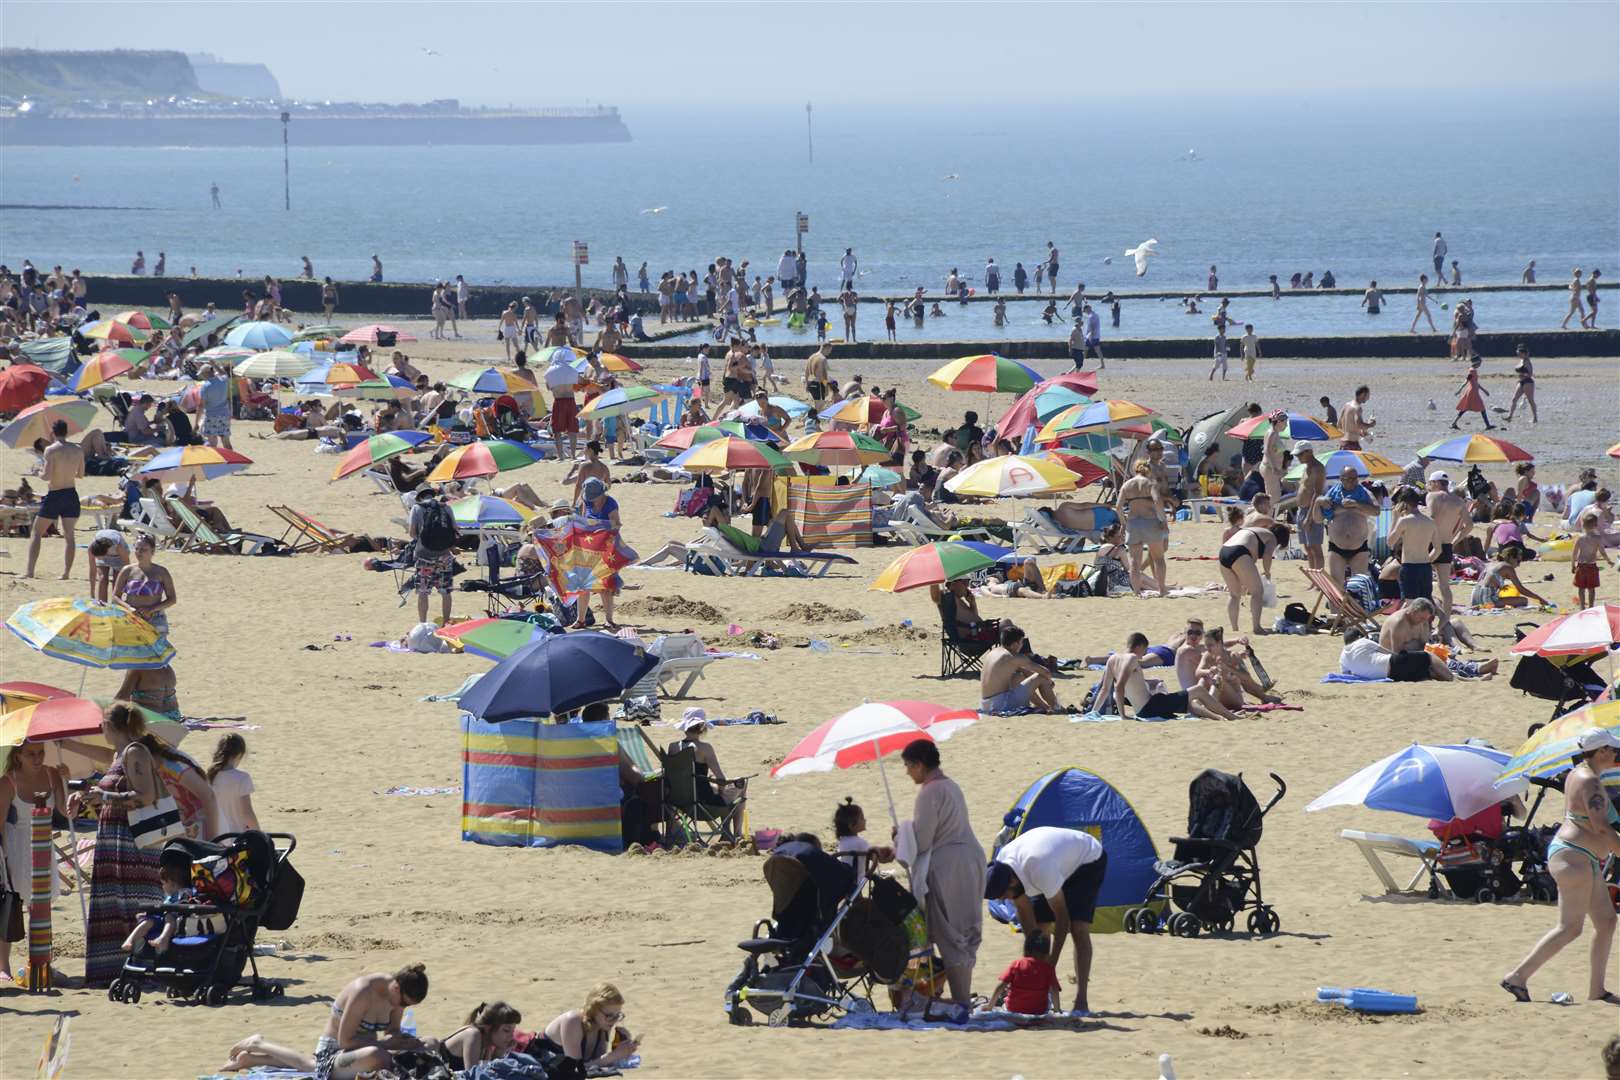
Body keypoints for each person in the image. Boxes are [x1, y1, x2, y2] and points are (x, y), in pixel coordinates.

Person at [1502, 728, 1620, 1005]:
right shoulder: (1590, 781)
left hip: (1581, 857)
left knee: (1606, 921)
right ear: (1601, 751)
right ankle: (1517, 977)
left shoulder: (1582, 773)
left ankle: (1597, 991)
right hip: (1573, 858)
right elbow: (1602, 828)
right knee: (1570, 927)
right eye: (1612, 749)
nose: (1616, 753)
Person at [74, 703, 164, 985]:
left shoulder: (135, 752)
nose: (100, 729)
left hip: (133, 842)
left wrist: (107, 799)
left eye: (103, 724)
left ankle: (143, 968)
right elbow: (117, 790)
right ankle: (116, 970)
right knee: (116, 903)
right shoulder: (119, 755)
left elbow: (146, 795)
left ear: (112, 726)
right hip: (116, 843)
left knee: (135, 902)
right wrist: (89, 795)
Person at [897, 739, 984, 1011]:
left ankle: (960, 1002)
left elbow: (922, 841)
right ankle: (962, 997)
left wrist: (901, 833)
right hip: (972, 859)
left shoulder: (929, 792)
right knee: (965, 932)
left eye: (909, 766)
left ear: (920, 765)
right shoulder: (952, 786)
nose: (907, 772)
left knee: (950, 933)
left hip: (948, 865)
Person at [222, 964, 430, 1077]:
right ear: (396, 987)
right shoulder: (363, 992)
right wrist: (386, 1044)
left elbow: (392, 1032)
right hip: (333, 1052)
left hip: (362, 1053)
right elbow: (345, 1042)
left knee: (427, 1043)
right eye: (404, 1003)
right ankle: (257, 1044)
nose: (403, 1008)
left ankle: (252, 1059)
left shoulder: (396, 998)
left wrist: (402, 1040)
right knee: (314, 1065)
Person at [984, 826, 1108, 1015]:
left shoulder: (1040, 869)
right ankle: (1044, 996)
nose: (1005, 900)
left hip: (1087, 860)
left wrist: (1049, 967)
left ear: (1013, 882)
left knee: (1078, 928)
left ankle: (1081, 1000)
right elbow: (1025, 913)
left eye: (1004, 895)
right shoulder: (1003, 866)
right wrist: (1031, 967)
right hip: (1053, 862)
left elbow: (1062, 917)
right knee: (1041, 927)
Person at [0, 743, 68, 982]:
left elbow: (65, 811)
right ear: (18, 755)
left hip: (42, 844)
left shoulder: (52, 775)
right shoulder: (8, 781)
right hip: (15, 845)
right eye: (31, 754)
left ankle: (42, 961)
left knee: (41, 906)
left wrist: (68, 788)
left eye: (41, 752)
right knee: (10, 906)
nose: (38, 758)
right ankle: (3, 966)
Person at [1093, 633, 1242, 720]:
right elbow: (1119, 687)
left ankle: (1220, 716)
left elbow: (1104, 690)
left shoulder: (1112, 659)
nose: (1143, 655)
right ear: (1139, 647)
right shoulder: (1131, 658)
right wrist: (1123, 715)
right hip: (1150, 707)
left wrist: (1092, 713)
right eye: (1144, 651)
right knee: (1199, 691)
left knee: (1189, 702)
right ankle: (1232, 717)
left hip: (1150, 705)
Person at [667, 707, 744, 835]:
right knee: (742, 783)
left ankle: (730, 833)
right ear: (702, 727)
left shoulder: (673, 747)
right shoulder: (705, 748)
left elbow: (677, 777)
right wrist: (720, 791)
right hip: (705, 805)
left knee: (714, 786)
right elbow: (721, 779)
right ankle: (733, 833)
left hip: (680, 803)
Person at [24, 419, 84, 580]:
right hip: (71, 494)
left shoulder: (50, 450)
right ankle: (66, 573)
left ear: (53, 432)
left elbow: (47, 476)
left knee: (37, 532)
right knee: (69, 536)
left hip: (55, 494)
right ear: (67, 432)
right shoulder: (78, 449)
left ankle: (30, 571)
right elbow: (81, 474)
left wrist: (38, 472)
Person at [544, 983, 640, 1070]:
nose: (614, 1020)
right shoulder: (572, 1021)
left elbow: (596, 1062)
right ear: (593, 1010)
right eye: (609, 1015)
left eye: (617, 1015)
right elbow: (575, 1069)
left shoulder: (603, 1024)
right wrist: (614, 1055)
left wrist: (622, 1050)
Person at [1217, 523, 1289, 634]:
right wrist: (1267, 571)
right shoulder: (1271, 537)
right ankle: (1257, 628)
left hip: (1224, 551)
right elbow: (1267, 555)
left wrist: (1244, 582)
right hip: (1239, 552)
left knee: (1234, 595)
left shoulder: (1258, 531)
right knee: (1258, 592)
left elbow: (1246, 564)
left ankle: (1234, 629)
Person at [574, 477, 624, 629]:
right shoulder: (586, 501)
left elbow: (616, 526)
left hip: (606, 547)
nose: (592, 500)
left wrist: (602, 530)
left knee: (606, 584)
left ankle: (608, 619)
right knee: (583, 584)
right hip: (588, 547)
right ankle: (580, 619)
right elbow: (581, 520)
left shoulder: (610, 504)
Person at [979, 624, 1061, 713]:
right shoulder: (1014, 657)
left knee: (1017, 678)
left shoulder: (993, 652)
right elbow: (1046, 672)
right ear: (1014, 644)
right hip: (1001, 704)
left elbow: (1026, 671)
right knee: (1040, 677)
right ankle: (1057, 708)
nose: (1022, 645)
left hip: (986, 704)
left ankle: (1044, 707)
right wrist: (1048, 681)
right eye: (1021, 642)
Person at [1116, 461, 1169, 595]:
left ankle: (1137, 592)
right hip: (1150, 522)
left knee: (1134, 562)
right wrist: (1163, 520)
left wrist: (1123, 523)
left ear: (1135, 470)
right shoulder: (1151, 484)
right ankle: (1162, 589)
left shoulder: (1127, 485)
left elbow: (1118, 507)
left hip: (1133, 523)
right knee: (1158, 558)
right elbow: (1157, 501)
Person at [408, 488, 459, 626]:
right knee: (446, 591)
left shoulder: (417, 508)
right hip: (444, 556)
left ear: (420, 497)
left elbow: (412, 532)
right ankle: (446, 622)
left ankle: (423, 623)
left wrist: (422, 539)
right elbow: (455, 529)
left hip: (424, 556)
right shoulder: (446, 507)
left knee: (423, 592)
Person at [113, 533, 177, 636]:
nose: (139, 553)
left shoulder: (161, 572)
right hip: (131, 616)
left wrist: (151, 609)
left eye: (143, 549)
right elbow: (115, 596)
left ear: (152, 551)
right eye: (137, 549)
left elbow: (172, 599)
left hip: (155, 617)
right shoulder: (127, 570)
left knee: (158, 650)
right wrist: (128, 608)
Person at [1322, 466, 1378, 583]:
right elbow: (1322, 513)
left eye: (1355, 478)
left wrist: (1357, 504)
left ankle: (1355, 602)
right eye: (1350, 479)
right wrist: (1337, 506)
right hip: (1336, 546)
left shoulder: (1364, 492)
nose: (1354, 481)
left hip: (1359, 547)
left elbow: (1376, 510)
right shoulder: (1333, 493)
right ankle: (1339, 602)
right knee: (1337, 585)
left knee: (1358, 585)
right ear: (1341, 479)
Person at [990, 930, 1062, 1016]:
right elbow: (1054, 989)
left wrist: (990, 1006)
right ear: (1046, 953)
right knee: (1048, 995)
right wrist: (1057, 1010)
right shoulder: (1048, 968)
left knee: (1006, 991)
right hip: (1038, 1010)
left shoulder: (1017, 964)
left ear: (1026, 949)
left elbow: (1000, 986)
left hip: (1013, 1008)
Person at [1386, 487, 1439, 600]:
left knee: (1411, 605)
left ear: (1404, 503)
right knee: (1425, 604)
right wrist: (1427, 560)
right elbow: (1438, 549)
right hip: (1425, 567)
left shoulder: (1405, 521)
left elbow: (1390, 542)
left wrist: (1395, 518)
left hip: (1409, 567)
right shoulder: (1430, 521)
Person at [439, 1001, 522, 1070]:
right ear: (489, 1027)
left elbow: (490, 1071)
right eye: (506, 1030)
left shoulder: (487, 1042)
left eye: (513, 1031)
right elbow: (473, 1075)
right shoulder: (473, 1035)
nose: (511, 1036)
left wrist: (500, 1051)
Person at [833, 798, 893, 887]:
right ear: (851, 825)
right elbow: (879, 858)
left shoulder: (843, 840)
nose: (865, 820)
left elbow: (866, 851)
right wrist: (892, 854)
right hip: (855, 882)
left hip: (843, 881)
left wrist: (877, 849)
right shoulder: (861, 843)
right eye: (861, 818)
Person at [208, 733, 259, 837]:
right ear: (240, 754)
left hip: (214, 837)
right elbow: (246, 812)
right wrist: (259, 833)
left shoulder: (209, 775)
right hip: (235, 836)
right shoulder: (242, 778)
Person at [1471, 543, 1547, 608]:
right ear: (1510, 557)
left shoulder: (1491, 564)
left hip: (1474, 597)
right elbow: (1521, 589)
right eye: (1518, 561)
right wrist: (1539, 599)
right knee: (1523, 600)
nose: (1519, 565)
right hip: (1487, 599)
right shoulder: (1507, 567)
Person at [544, 349, 582, 460]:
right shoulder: (573, 371)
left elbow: (548, 387)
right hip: (570, 401)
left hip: (559, 401)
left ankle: (561, 456)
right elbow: (579, 383)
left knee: (557, 431)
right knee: (572, 430)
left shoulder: (549, 372)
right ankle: (573, 456)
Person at [1572, 510, 1613, 609]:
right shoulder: (1597, 538)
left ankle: (1582, 606)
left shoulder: (1580, 538)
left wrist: (1572, 565)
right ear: (1595, 525)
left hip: (1581, 565)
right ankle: (1591, 606)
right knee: (1591, 588)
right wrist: (1608, 561)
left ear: (1583, 525)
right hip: (1591, 565)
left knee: (1581, 588)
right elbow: (1602, 552)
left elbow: (1574, 553)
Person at [87, 528, 131, 603]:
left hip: (119, 557)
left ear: (106, 552)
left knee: (117, 581)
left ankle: (115, 604)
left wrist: (128, 585)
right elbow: (92, 571)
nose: (97, 559)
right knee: (102, 578)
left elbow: (127, 566)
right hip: (102, 550)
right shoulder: (91, 548)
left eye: (98, 557)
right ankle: (102, 604)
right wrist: (92, 593)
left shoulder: (118, 546)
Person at [1451, 355, 1494, 430]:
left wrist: (1484, 390)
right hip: (1473, 392)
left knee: (1465, 408)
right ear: (1476, 362)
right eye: (1480, 362)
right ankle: (1488, 425)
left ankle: (1454, 423)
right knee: (1481, 408)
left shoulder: (1472, 370)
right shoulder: (1472, 371)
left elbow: (1474, 382)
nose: (1480, 364)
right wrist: (1459, 390)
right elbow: (1467, 380)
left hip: (1472, 391)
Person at [1505, 344, 1537, 423]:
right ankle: (1510, 416)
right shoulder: (1521, 360)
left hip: (1528, 382)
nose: (1517, 354)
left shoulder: (1527, 361)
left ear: (1523, 353)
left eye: (1519, 353)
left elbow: (1530, 374)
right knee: (1514, 399)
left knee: (1530, 400)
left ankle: (1535, 418)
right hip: (1521, 382)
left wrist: (1522, 375)